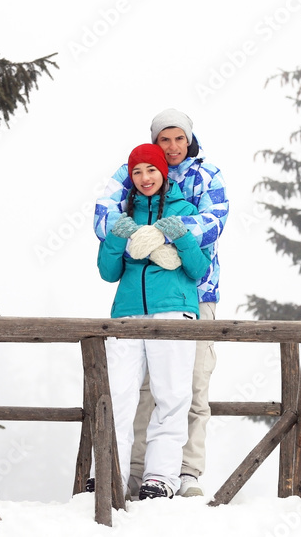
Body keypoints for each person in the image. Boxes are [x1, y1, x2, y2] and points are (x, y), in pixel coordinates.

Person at [94, 109, 229, 498]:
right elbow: (104, 221)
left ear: (189, 139)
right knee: (129, 394)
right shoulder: (132, 181)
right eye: (163, 140)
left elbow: (214, 223)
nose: (171, 147)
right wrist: (125, 234)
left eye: (178, 139)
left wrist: (175, 234)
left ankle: (180, 473)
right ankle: (127, 473)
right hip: (130, 309)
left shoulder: (204, 179)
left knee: (188, 389)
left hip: (192, 297)